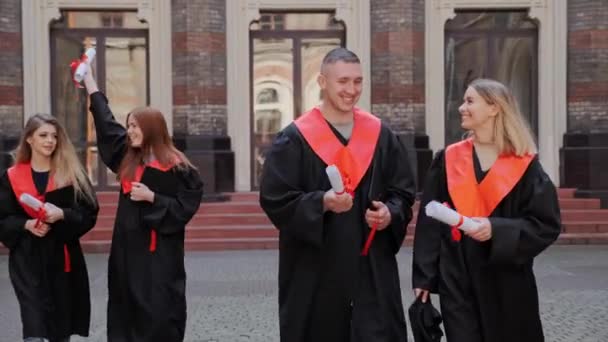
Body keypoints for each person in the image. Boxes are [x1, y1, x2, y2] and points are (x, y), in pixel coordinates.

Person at [259, 47, 416, 342]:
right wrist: (321, 202)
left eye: (357, 81)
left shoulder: (381, 136)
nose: (351, 90)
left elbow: (403, 193)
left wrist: (389, 213)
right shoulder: (295, 138)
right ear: (322, 82)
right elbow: (275, 199)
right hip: (316, 269)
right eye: (343, 81)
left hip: (371, 265)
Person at [412, 78, 561, 342]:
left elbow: (545, 224)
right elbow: (429, 224)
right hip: (456, 276)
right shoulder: (448, 159)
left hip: (506, 278)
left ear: (494, 108)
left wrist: (497, 229)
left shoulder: (525, 166)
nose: (461, 107)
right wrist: (424, 276)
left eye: (470, 101)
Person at [82, 64, 203, 341]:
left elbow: (185, 208)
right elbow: (105, 122)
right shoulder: (127, 157)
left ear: (151, 129)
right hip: (126, 254)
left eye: (135, 126)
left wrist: (153, 198)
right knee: (125, 311)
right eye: (129, 125)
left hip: (159, 259)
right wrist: (90, 81)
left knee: (159, 313)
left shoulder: (179, 168)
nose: (129, 131)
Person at [0, 113, 99, 342]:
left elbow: (89, 213)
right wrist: (26, 224)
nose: (50, 141)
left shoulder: (70, 173)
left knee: (59, 326)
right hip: (27, 258)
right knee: (33, 324)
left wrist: (62, 214)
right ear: (29, 140)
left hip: (62, 258)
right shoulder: (11, 177)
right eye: (43, 135)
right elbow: (3, 218)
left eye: (54, 136)